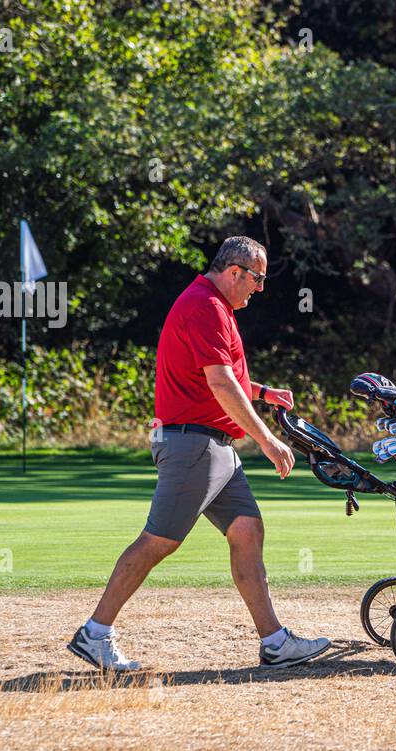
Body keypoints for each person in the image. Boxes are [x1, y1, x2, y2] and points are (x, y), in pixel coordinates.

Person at [67, 236, 332, 671]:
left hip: (215, 448)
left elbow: (224, 377)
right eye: (258, 279)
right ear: (235, 272)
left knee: (247, 531)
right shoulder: (205, 307)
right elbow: (221, 385)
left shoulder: (214, 307)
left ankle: (275, 642)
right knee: (159, 541)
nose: (260, 288)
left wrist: (263, 393)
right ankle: (95, 633)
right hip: (194, 445)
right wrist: (266, 439)